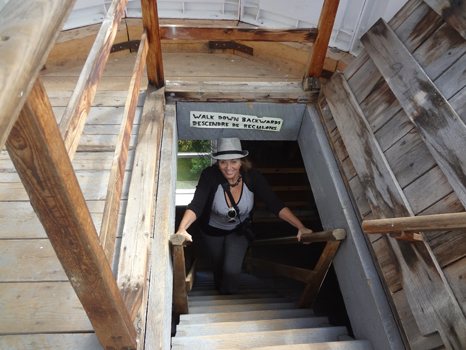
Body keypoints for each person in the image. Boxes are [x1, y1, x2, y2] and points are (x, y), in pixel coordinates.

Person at [175, 137, 313, 294]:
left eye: (233, 161)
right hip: (212, 230)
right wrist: (182, 229)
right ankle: (219, 287)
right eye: (223, 162)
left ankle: (227, 296)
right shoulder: (210, 175)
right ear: (217, 163)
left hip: (239, 230)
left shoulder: (252, 177)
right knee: (217, 263)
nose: (228, 168)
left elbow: (274, 203)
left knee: (232, 270)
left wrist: (300, 227)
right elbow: (197, 204)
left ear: (241, 162)